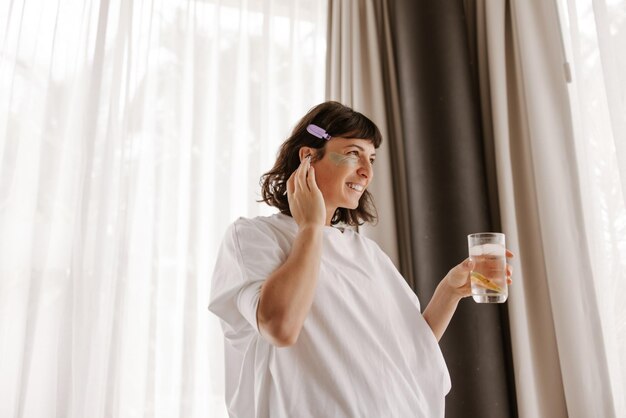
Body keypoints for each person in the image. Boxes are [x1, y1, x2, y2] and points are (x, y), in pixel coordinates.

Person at [209, 101, 513, 418]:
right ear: (308, 156)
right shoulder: (254, 238)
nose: (366, 171)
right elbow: (280, 327)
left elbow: (407, 350)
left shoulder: (366, 253)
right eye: (353, 153)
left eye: (371, 159)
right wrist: (312, 226)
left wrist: (449, 292)